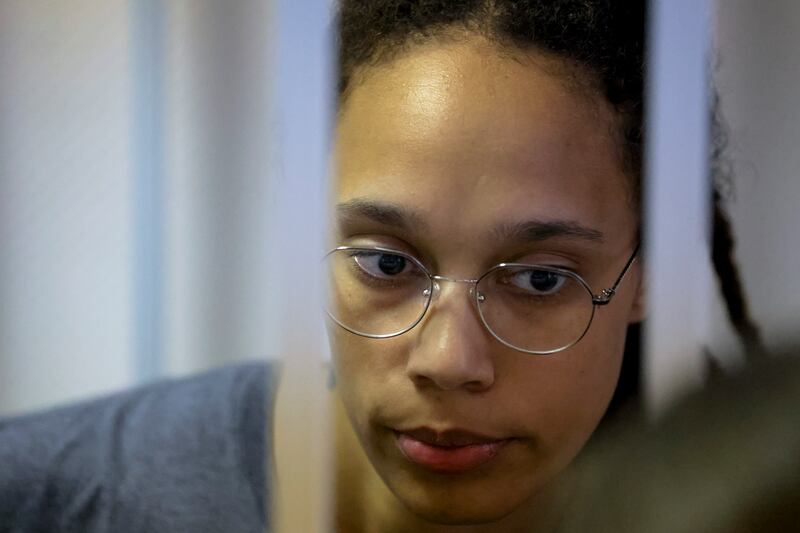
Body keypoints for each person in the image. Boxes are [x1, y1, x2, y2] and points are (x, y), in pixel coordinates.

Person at [0, 1, 760, 532]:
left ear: (650, 269)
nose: (449, 360)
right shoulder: (52, 497)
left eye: (539, 279)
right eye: (387, 262)